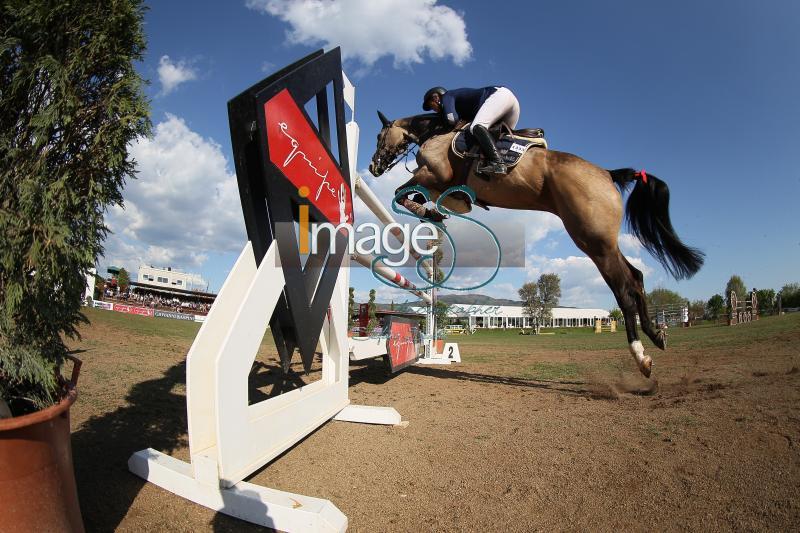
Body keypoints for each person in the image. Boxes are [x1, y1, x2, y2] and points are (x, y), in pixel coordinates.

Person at [422, 85, 520, 175]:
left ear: (436, 98)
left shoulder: (447, 96)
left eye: (431, 105)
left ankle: (498, 163)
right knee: (502, 138)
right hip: (512, 103)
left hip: (499, 96)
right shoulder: (463, 107)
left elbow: (451, 119)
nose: (433, 109)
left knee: (476, 126)